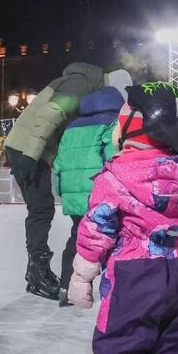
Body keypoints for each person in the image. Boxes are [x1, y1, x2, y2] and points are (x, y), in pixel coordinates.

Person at [69, 82, 178, 354]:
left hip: (133, 275)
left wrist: (81, 276)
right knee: (169, 339)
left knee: (123, 341)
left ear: (138, 127)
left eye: (121, 119)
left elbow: (98, 228)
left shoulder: (115, 176)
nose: (115, 126)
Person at [3, 63, 131, 301]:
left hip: (31, 148)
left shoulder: (85, 86)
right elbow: (51, 114)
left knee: (41, 209)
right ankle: (37, 272)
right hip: (28, 147)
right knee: (41, 210)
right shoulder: (81, 83)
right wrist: (30, 155)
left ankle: (37, 271)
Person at [52, 86, 123, 307]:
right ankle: (115, 292)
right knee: (113, 240)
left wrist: (61, 191)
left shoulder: (71, 127)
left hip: (72, 195)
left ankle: (66, 288)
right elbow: (114, 158)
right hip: (99, 194)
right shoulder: (113, 123)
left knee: (77, 238)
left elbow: (58, 164)